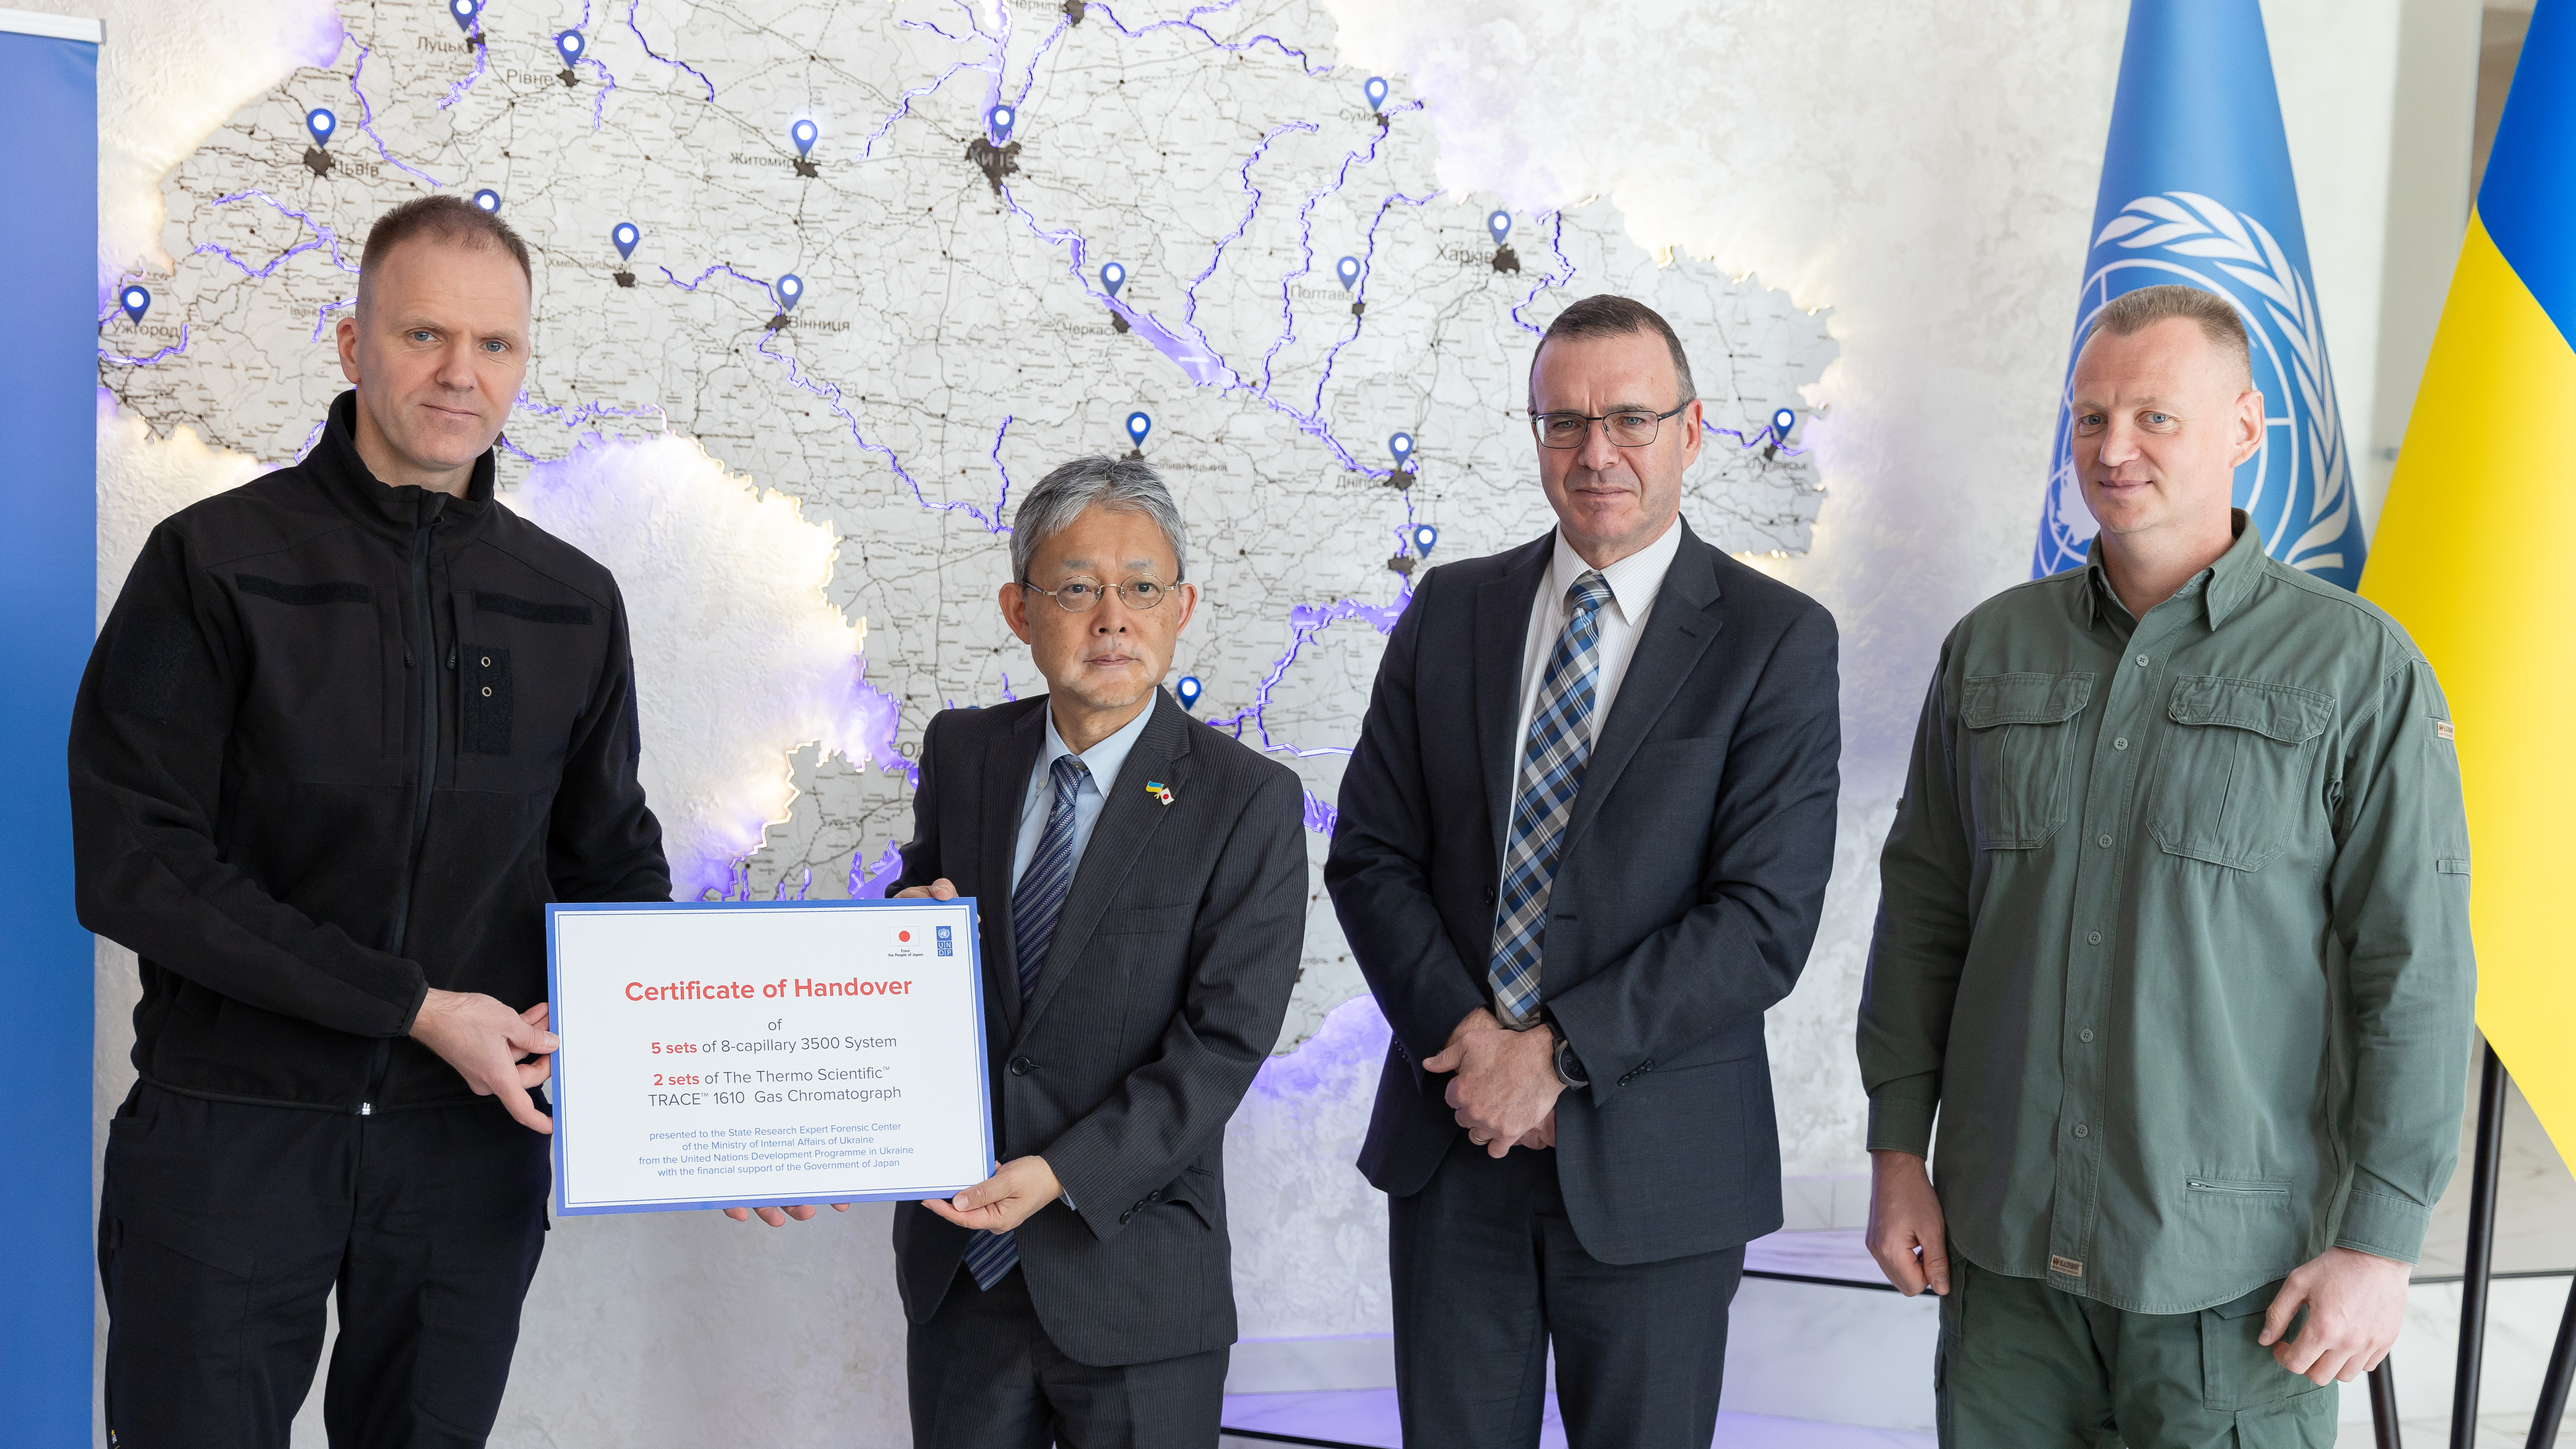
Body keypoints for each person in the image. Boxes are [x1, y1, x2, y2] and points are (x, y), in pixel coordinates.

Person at [71, 194, 669, 1447]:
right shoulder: (213, 563)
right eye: (424, 335)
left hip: (464, 1155)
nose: (462, 373)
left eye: (496, 345)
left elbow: (609, 867)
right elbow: (137, 867)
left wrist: (708, 1113)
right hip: (234, 1131)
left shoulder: (570, 602)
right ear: (353, 345)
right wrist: (410, 1004)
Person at [1859, 283, 2475, 1445]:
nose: (2111, 447)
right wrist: (1899, 1149)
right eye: (2089, 417)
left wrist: (2378, 1237)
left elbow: (2414, 972)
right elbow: (1925, 915)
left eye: (2153, 416)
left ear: (2245, 428)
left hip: (2236, 1289)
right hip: (2005, 1272)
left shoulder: (2359, 673)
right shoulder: (1990, 647)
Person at [1324, 294, 1843, 1449]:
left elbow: (1762, 919)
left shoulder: (1775, 641)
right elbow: (1368, 853)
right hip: (1453, 1148)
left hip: (1657, 1167)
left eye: (1628, 418)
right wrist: (1474, 1046)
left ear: (1691, 432)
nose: (1595, 451)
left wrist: (1553, 1058)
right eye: (1563, 423)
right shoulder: (1449, 610)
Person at [728, 456, 1308, 1449]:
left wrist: (1060, 1172)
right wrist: (899, 934)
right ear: (1018, 608)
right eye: (1077, 587)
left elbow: (1222, 1044)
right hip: (964, 1279)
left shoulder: (1244, 799)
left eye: (1141, 588)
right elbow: (907, 966)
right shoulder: (966, 755)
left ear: (1182, 608)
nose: (1111, 617)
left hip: (1132, 1282)